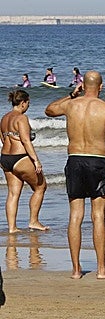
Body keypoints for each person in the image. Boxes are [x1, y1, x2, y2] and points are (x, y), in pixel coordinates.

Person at [45, 71, 105, 279]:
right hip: (97, 161)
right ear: (100, 87)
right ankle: (101, 269)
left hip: (74, 160)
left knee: (75, 215)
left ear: (82, 85)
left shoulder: (72, 104)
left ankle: (75, 270)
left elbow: (49, 110)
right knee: (98, 216)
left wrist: (72, 95)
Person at [1, 90, 48, 233]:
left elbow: (3, 140)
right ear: (23, 103)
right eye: (28, 103)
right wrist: (36, 161)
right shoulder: (21, 118)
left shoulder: (4, 118)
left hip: (5, 158)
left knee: (13, 193)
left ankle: (12, 227)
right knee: (41, 186)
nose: (28, 106)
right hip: (20, 157)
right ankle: (33, 221)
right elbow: (26, 141)